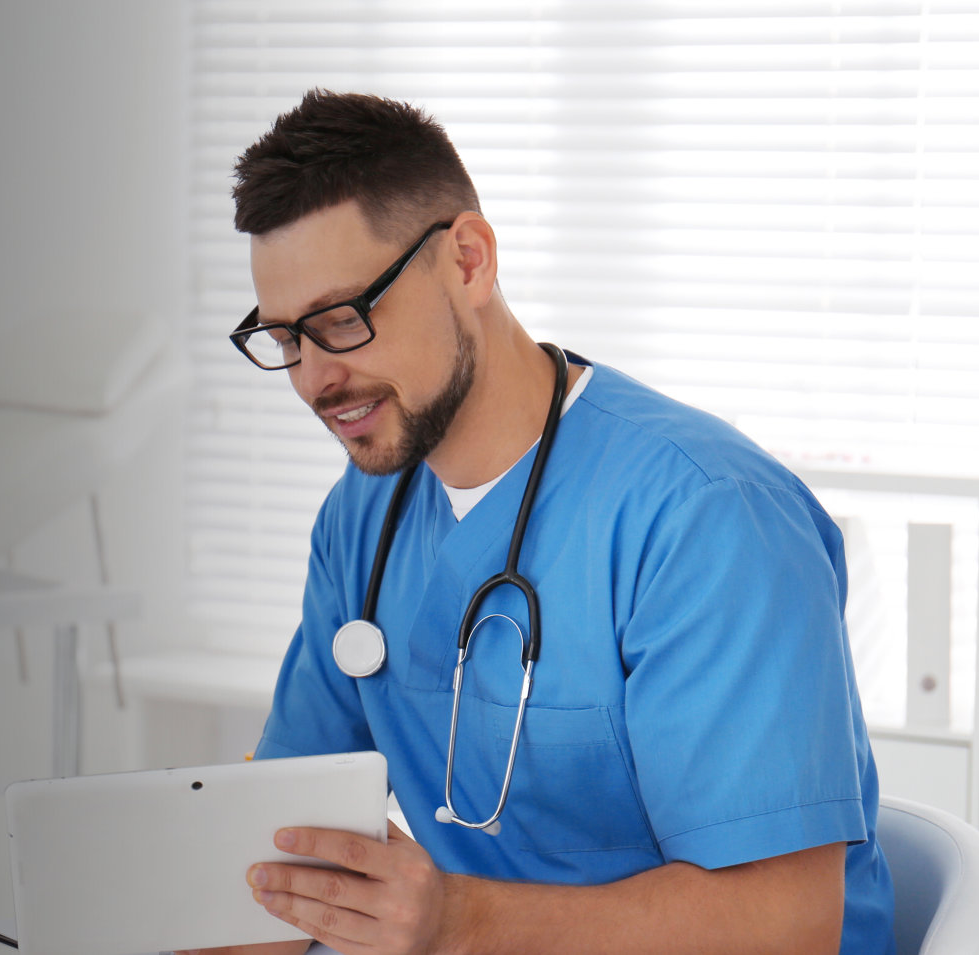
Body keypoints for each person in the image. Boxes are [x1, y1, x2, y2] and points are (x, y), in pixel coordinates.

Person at [193, 92, 893, 954]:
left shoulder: (705, 518)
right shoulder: (364, 515)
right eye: (286, 338)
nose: (315, 379)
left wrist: (457, 921)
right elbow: (283, 860)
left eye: (343, 320)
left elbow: (785, 925)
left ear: (469, 262)